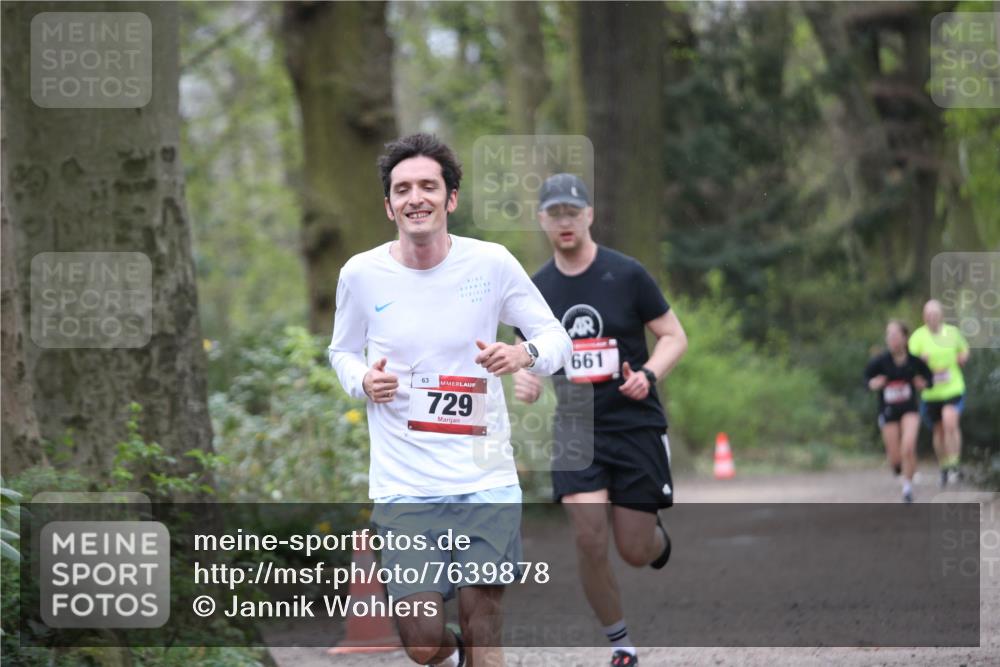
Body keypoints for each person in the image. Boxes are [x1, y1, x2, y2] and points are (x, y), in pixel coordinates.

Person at [328, 134, 572, 667]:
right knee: (421, 644)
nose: (416, 197)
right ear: (388, 205)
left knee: (484, 627)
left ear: (451, 198)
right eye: (403, 188)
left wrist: (522, 354)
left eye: (428, 186)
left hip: (484, 478)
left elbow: (558, 340)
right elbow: (341, 352)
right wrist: (363, 380)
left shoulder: (491, 264)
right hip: (404, 486)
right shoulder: (362, 274)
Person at [513, 173, 687, 667]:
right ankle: (621, 644)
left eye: (573, 211)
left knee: (634, 548)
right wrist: (526, 380)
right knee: (589, 537)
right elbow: (526, 359)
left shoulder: (627, 274)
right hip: (575, 427)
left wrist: (649, 375)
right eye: (554, 213)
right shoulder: (534, 290)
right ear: (542, 220)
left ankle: (655, 541)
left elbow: (674, 335)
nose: (564, 221)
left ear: (589, 215)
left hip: (633, 424)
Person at [863, 320, 933, 502]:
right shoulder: (880, 361)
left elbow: (929, 378)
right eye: (889, 335)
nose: (891, 339)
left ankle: (907, 488)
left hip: (909, 409)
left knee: (907, 446)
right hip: (888, 411)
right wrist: (873, 383)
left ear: (904, 338)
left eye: (895, 335)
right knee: (895, 458)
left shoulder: (914, 361)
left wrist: (923, 383)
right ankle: (900, 469)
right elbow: (866, 379)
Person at [908, 299, 971, 487]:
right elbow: (909, 365)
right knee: (939, 430)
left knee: (950, 422)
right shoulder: (918, 337)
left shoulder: (952, 333)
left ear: (941, 316)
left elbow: (964, 349)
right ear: (923, 317)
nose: (931, 318)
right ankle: (944, 466)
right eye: (928, 315)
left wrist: (963, 357)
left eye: (935, 314)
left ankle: (954, 464)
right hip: (931, 392)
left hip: (953, 387)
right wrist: (919, 363)